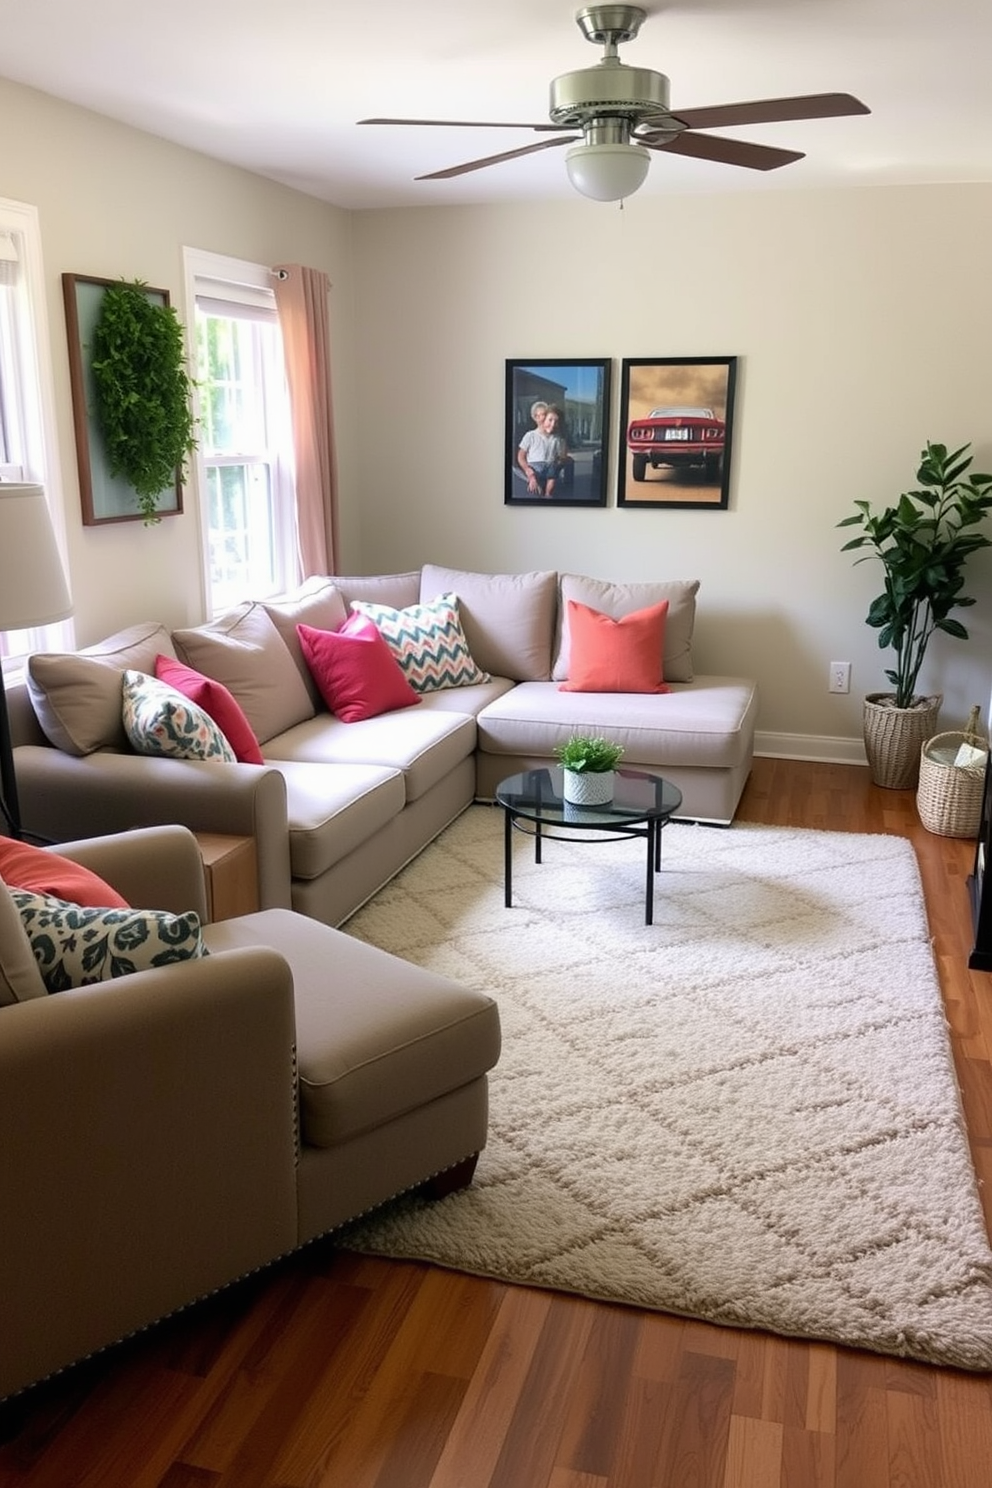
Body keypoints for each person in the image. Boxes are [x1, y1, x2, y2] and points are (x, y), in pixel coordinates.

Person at [517, 404, 569, 497]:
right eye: (549, 419)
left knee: (550, 489)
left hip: (550, 469)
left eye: (544, 415)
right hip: (534, 470)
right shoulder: (530, 435)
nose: (552, 424)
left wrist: (560, 462)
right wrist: (528, 471)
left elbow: (562, 455)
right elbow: (521, 456)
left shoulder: (556, 438)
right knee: (536, 491)